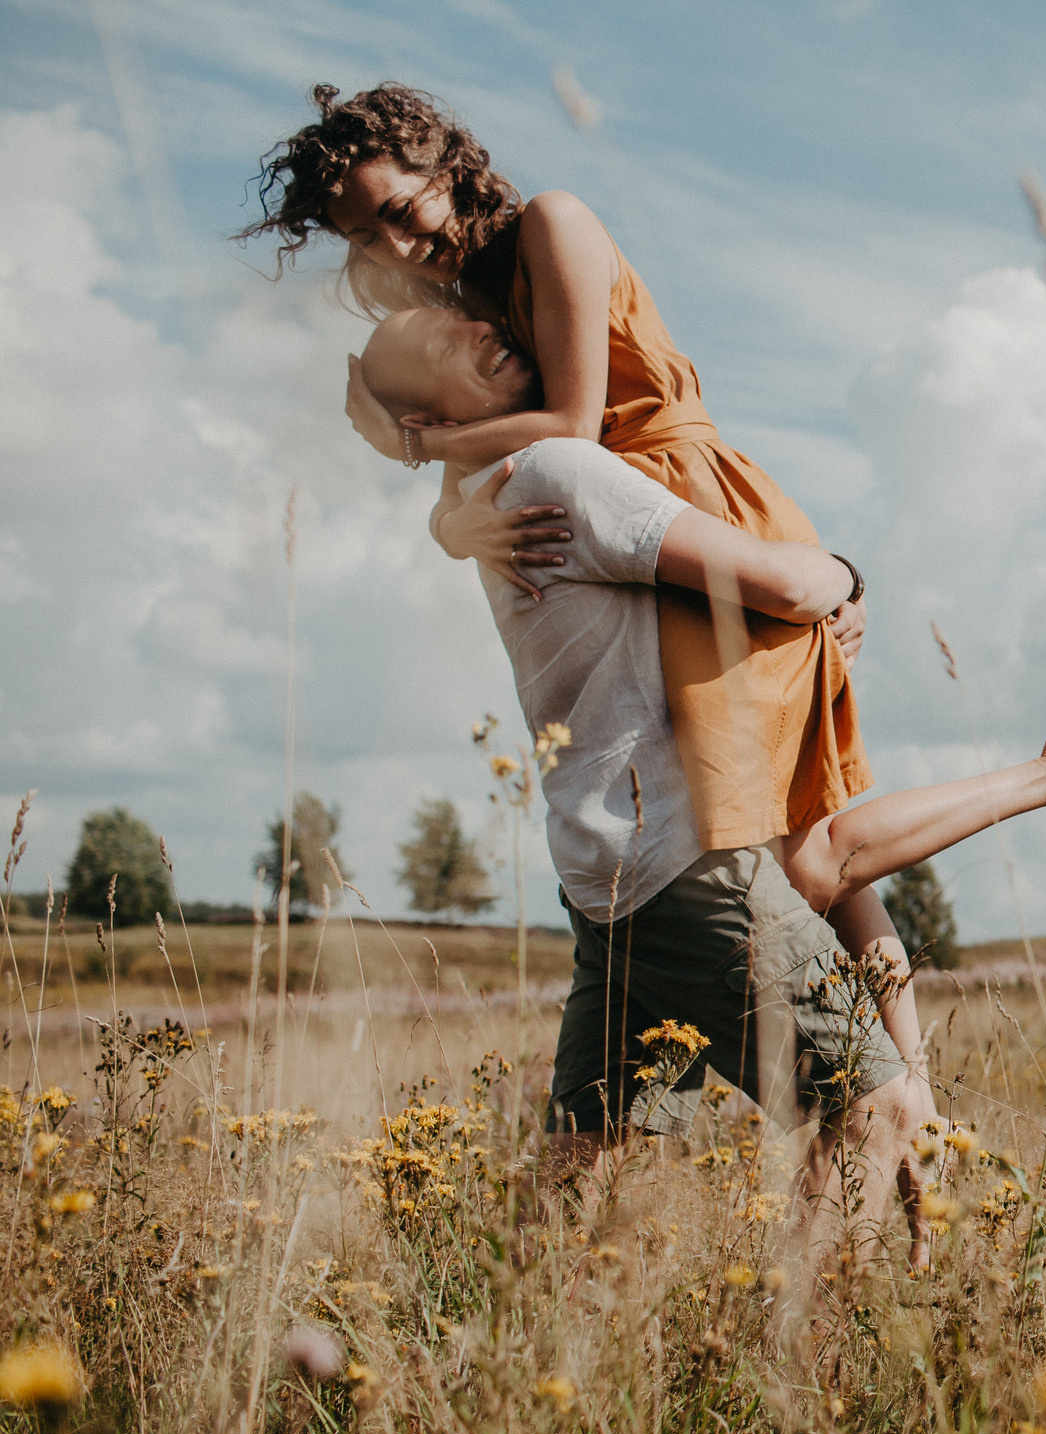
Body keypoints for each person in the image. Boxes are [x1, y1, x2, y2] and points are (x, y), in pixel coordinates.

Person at [358, 303, 1046, 1271]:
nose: (476, 331)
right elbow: (791, 591)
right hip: (686, 868)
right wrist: (845, 577)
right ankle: (802, 1366)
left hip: (609, 883)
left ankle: (492, 1353)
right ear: (432, 424)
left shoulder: (488, 498)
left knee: (574, 1170)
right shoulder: (554, 472)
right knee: (877, 1108)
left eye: (462, 318)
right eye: (439, 349)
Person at [240, 82, 870, 928]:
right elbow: (454, 513)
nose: (394, 242)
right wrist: (446, 510)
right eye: (364, 236)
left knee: (804, 842)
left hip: (691, 503)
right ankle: (894, 1060)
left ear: (445, 164)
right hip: (630, 538)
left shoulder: (553, 222)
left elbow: (572, 424)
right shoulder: (464, 312)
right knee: (762, 845)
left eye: (399, 208)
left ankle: (900, 1059)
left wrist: (414, 444)